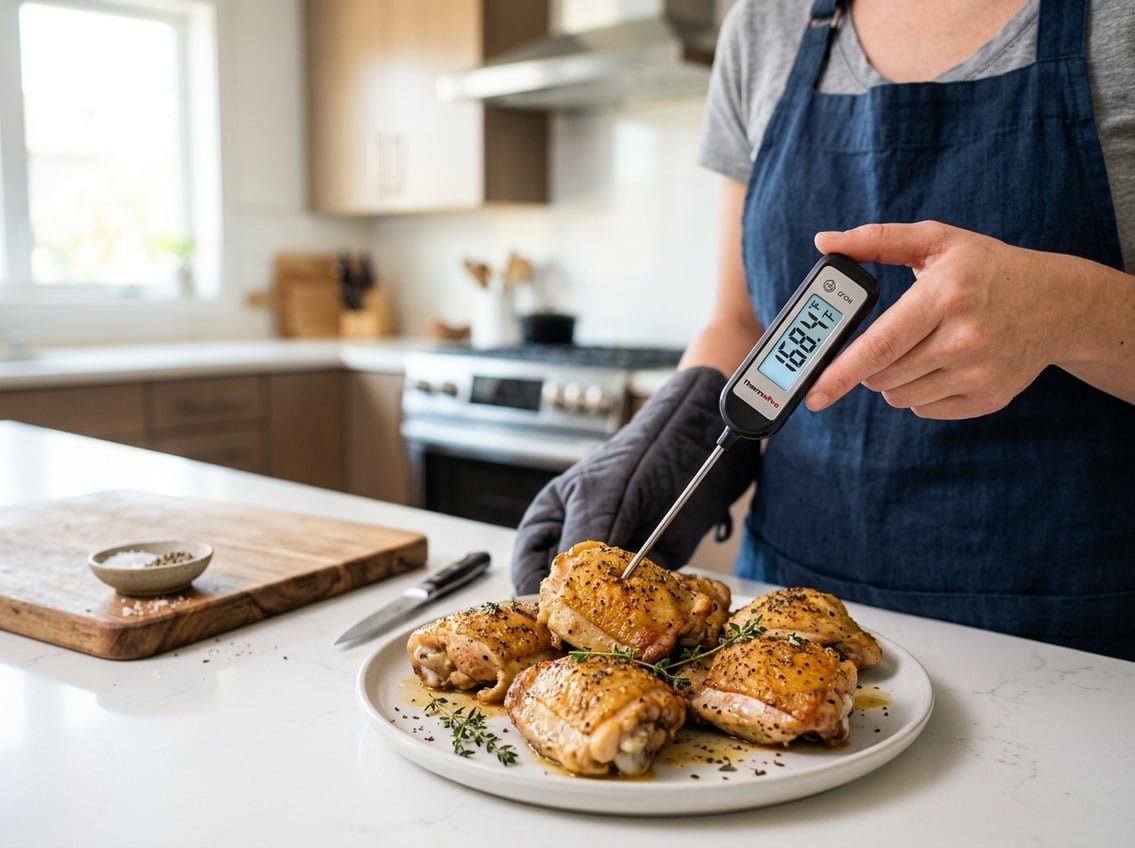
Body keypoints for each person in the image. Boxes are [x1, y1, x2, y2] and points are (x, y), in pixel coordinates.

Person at [511, 0, 1135, 662]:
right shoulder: (763, 24)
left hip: (1073, 641)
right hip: (780, 621)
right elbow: (742, 317)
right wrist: (671, 432)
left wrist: (1072, 310)